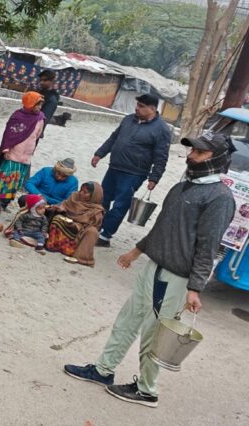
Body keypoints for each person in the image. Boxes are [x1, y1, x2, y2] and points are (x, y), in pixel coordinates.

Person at [64, 132, 236, 408]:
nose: (191, 155)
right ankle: (103, 369)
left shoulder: (220, 198)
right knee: (128, 320)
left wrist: (194, 288)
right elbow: (162, 227)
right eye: (192, 150)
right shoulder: (181, 187)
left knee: (155, 334)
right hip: (153, 266)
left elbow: (208, 245)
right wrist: (136, 251)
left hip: (176, 277)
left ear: (216, 158)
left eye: (199, 152)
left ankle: (147, 390)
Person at [92, 93, 171, 247]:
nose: (137, 108)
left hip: (134, 173)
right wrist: (100, 153)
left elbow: (161, 157)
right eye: (137, 105)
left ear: (152, 108)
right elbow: (114, 138)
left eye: (141, 106)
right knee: (103, 199)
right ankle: (96, 228)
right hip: (114, 167)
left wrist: (154, 178)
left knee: (120, 205)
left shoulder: (161, 130)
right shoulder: (129, 119)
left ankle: (105, 236)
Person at [0, 92, 45, 208]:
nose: (39, 107)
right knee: (6, 178)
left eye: (41, 105)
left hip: (26, 154)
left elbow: (37, 135)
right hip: (14, 152)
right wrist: (6, 149)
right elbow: (8, 133)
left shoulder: (40, 118)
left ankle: (5, 202)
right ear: (30, 103)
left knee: (16, 181)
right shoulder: (18, 116)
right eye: (37, 104)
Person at [45, 182, 105, 266]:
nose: (81, 193)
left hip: (79, 231)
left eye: (85, 192)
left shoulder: (96, 211)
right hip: (67, 222)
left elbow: (90, 226)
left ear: (93, 196)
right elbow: (64, 205)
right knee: (57, 219)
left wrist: (76, 225)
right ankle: (53, 244)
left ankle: (71, 250)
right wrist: (61, 209)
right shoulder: (74, 197)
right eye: (81, 190)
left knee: (92, 231)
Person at [37, 70, 60, 136]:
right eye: (41, 80)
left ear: (52, 81)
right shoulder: (39, 92)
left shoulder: (52, 99)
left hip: (35, 130)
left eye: (45, 80)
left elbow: (43, 118)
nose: (41, 82)